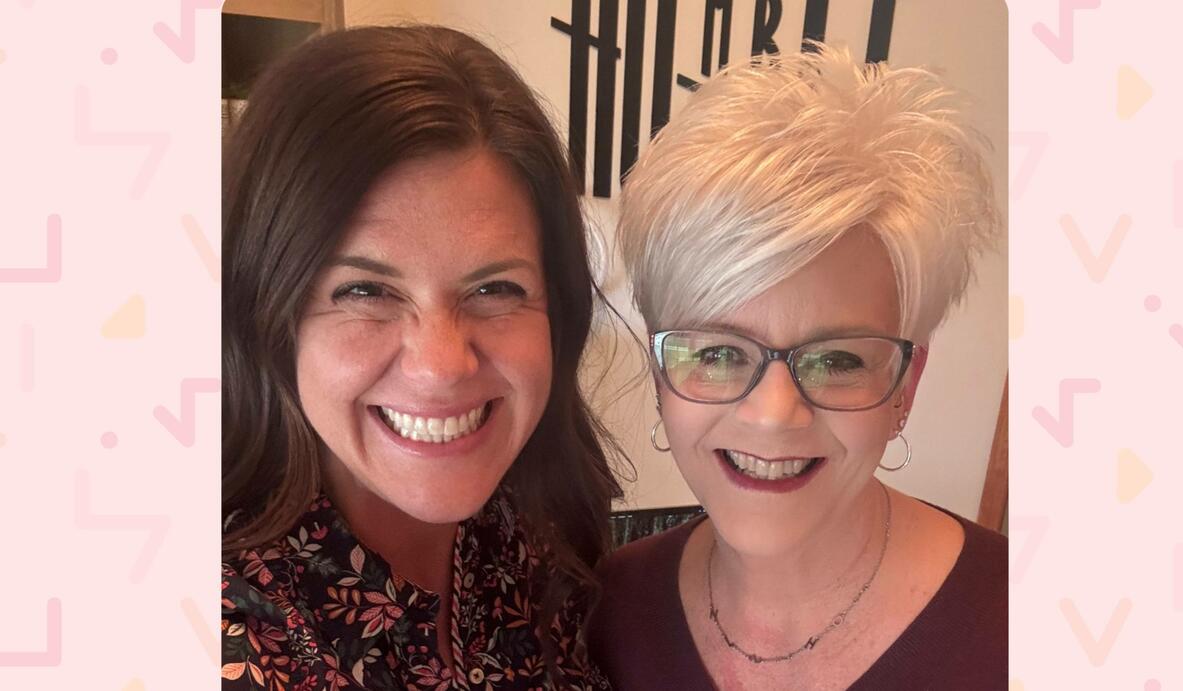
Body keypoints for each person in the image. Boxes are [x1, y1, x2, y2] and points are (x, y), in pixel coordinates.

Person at [589, 45, 1006, 689]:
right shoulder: (606, 611)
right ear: (661, 370)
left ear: (906, 384)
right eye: (720, 353)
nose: (774, 414)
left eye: (837, 360)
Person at [220, 25, 622, 690]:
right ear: (271, 314)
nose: (441, 365)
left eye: (495, 289)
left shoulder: (542, 530)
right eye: (365, 291)